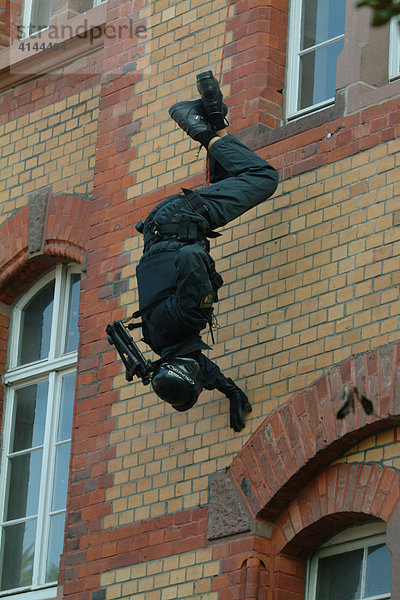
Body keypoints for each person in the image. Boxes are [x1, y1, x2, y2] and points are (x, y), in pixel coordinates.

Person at [134, 71, 279, 431]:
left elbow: (190, 260)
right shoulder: (162, 341)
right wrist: (228, 390)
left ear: (187, 372)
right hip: (162, 227)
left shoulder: (188, 317)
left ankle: (194, 124)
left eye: (197, 382)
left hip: (182, 223)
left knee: (262, 178)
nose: (202, 378)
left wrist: (207, 285)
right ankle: (213, 115)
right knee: (228, 185)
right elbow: (202, 366)